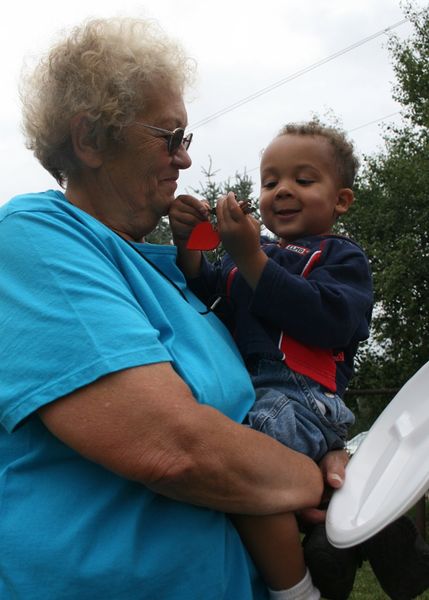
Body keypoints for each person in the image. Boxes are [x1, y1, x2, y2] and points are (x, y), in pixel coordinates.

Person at [0, 17, 352, 600]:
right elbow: (177, 449)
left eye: (185, 140)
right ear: (90, 140)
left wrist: (319, 438)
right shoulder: (35, 238)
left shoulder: (169, 276)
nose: (185, 161)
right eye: (170, 137)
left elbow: (248, 416)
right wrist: (308, 476)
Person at [168, 121, 429, 600]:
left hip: (303, 396)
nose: (282, 191)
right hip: (256, 392)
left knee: (240, 462)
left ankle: (296, 590)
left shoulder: (341, 256)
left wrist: (249, 258)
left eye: (303, 181)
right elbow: (206, 292)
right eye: (270, 182)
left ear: (341, 200)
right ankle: (346, 538)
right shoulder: (254, 252)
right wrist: (188, 241)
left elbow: (329, 319)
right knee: (243, 471)